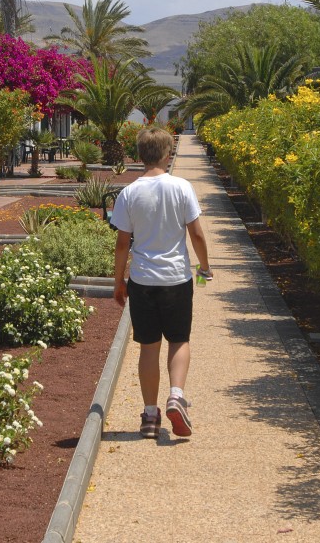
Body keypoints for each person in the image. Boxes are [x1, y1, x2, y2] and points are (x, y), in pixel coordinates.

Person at [110, 126, 212, 439]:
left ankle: (150, 416)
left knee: (148, 347)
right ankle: (176, 396)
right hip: (177, 279)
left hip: (142, 281)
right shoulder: (181, 188)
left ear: (140, 156)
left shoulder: (129, 193)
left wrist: (119, 282)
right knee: (179, 339)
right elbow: (196, 233)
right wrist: (205, 268)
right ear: (167, 154)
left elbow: (122, 243)